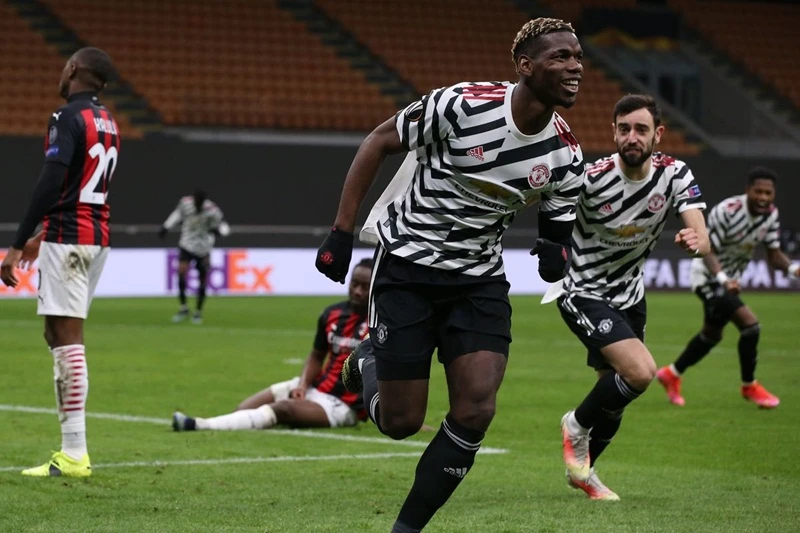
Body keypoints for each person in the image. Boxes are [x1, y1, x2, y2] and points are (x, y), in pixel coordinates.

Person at [315, 18, 585, 532]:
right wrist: (341, 233)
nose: (575, 67)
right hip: (409, 269)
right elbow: (377, 141)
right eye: (560, 58)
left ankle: (406, 529)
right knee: (400, 423)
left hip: (478, 280)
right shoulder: (461, 105)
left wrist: (555, 253)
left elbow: (556, 225)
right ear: (525, 67)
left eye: (578, 57)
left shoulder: (566, 153)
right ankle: (367, 356)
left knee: (477, 406)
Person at [553, 94, 709, 500]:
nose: (632, 137)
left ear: (658, 134)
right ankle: (573, 426)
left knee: (615, 400)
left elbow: (703, 236)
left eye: (641, 129)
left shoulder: (675, 175)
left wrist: (696, 240)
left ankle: (583, 472)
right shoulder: (591, 179)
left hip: (630, 295)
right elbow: (549, 210)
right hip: (582, 291)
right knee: (640, 373)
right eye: (624, 129)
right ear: (614, 132)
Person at [0, 47, 119, 478]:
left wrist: (16, 243)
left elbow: (52, 180)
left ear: (73, 70)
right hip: (93, 237)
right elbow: (81, 188)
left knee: (67, 338)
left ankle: (73, 454)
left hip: (70, 240)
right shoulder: (108, 121)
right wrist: (40, 237)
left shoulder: (65, 117)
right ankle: (71, 451)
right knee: (57, 332)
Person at [171, 259, 373, 431]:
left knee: (283, 409)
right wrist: (303, 385)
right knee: (244, 409)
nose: (357, 291)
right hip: (315, 386)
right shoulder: (332, 314)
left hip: (344, 405)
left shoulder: (380, 324)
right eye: (354, 284)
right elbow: (317, 355)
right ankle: (213, 424)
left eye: (365, 287)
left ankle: (199, 425)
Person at [656, 167, 797, 409]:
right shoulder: (728, 211)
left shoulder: (770, 215)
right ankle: (749, 385)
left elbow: (774, 255)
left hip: (730, 282)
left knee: (711, 335)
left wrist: (794, 270)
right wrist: (723, 279)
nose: (763, 197)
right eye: (758, 191)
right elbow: (706, 249)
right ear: (748, 191)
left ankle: (671, 373)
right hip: (708, 278)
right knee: (750, 326)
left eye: (768, 193)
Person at [158, 188, 229, 324]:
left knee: (202, 279)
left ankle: (198, 312)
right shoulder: (185, 203)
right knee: (181, 273)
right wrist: (166, 227)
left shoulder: (212, 210)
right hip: (186, 243)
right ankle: (183, 307)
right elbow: (177, 214)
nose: (197, 204)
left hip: (204, 247)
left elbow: (220, 225)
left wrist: (219, 231)